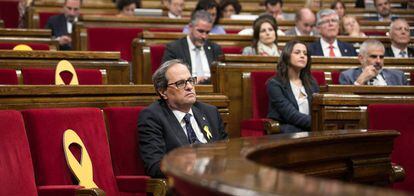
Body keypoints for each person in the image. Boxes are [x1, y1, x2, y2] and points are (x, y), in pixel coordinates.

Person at [138, 59, 228, 178]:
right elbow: (155, 166)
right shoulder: (153, 117)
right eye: (180, 83)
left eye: (190, 80)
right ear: (163, 92)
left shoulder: (210, 112)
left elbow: (227, 151)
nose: (190, 87)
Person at [267, 40, 319, 133]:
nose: (302, 56)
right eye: (297, 52)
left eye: (305, 53)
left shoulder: (312, 83)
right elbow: (291, 115)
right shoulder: (275, 84)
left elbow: (318, 110)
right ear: (287, 56)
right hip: (288, 132)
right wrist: (320, 123)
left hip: (312, 131)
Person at [162, 10, 223, 84]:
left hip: (213, 91)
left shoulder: (215, 48)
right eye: (200, 31)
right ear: (190, 27)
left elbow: (222, 75)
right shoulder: (175, 48)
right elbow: (167, 76)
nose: (204, 36)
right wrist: (192, 80)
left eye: (207, 32)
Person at [339, 39, 408, 85]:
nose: (378, 61)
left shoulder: (399, 77)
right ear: (361, 58)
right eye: (373, 57)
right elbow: (345, 102)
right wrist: (359, 82)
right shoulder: (347, 76)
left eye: (381, 57)